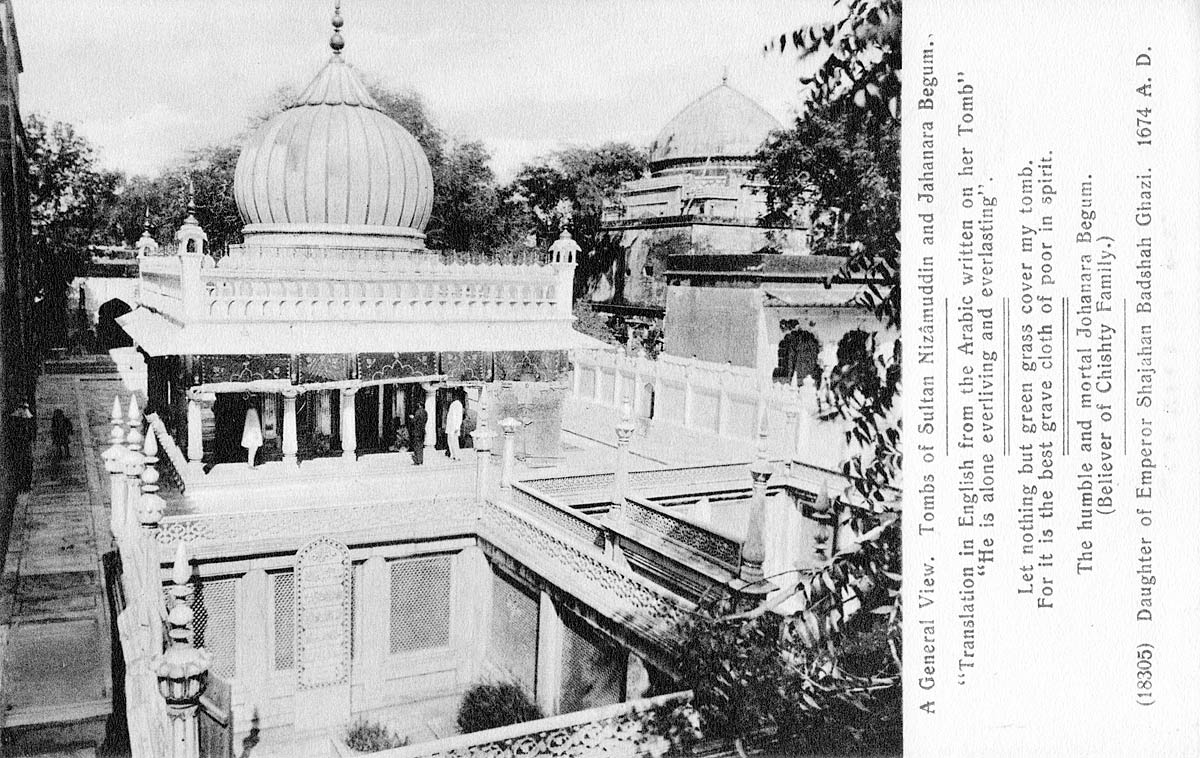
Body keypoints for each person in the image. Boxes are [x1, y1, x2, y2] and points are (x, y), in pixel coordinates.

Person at [241, 404, 263, 468]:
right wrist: (256, 433)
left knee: (252, 449)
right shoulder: (252, 412)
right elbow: (255, 424)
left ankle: (251, 463)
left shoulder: (250, 411)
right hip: (253, 433)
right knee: (253, 448)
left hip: (251, 432)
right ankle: (251, 463)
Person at [445, 396, 465, 461]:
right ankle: (453, 454)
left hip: (453, 427)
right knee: (451, 441)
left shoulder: (457, 404)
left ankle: (455, 455)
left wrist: (457, 427)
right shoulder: (455, 404)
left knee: (453, 441)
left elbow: (457, 416)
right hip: (451, 426)